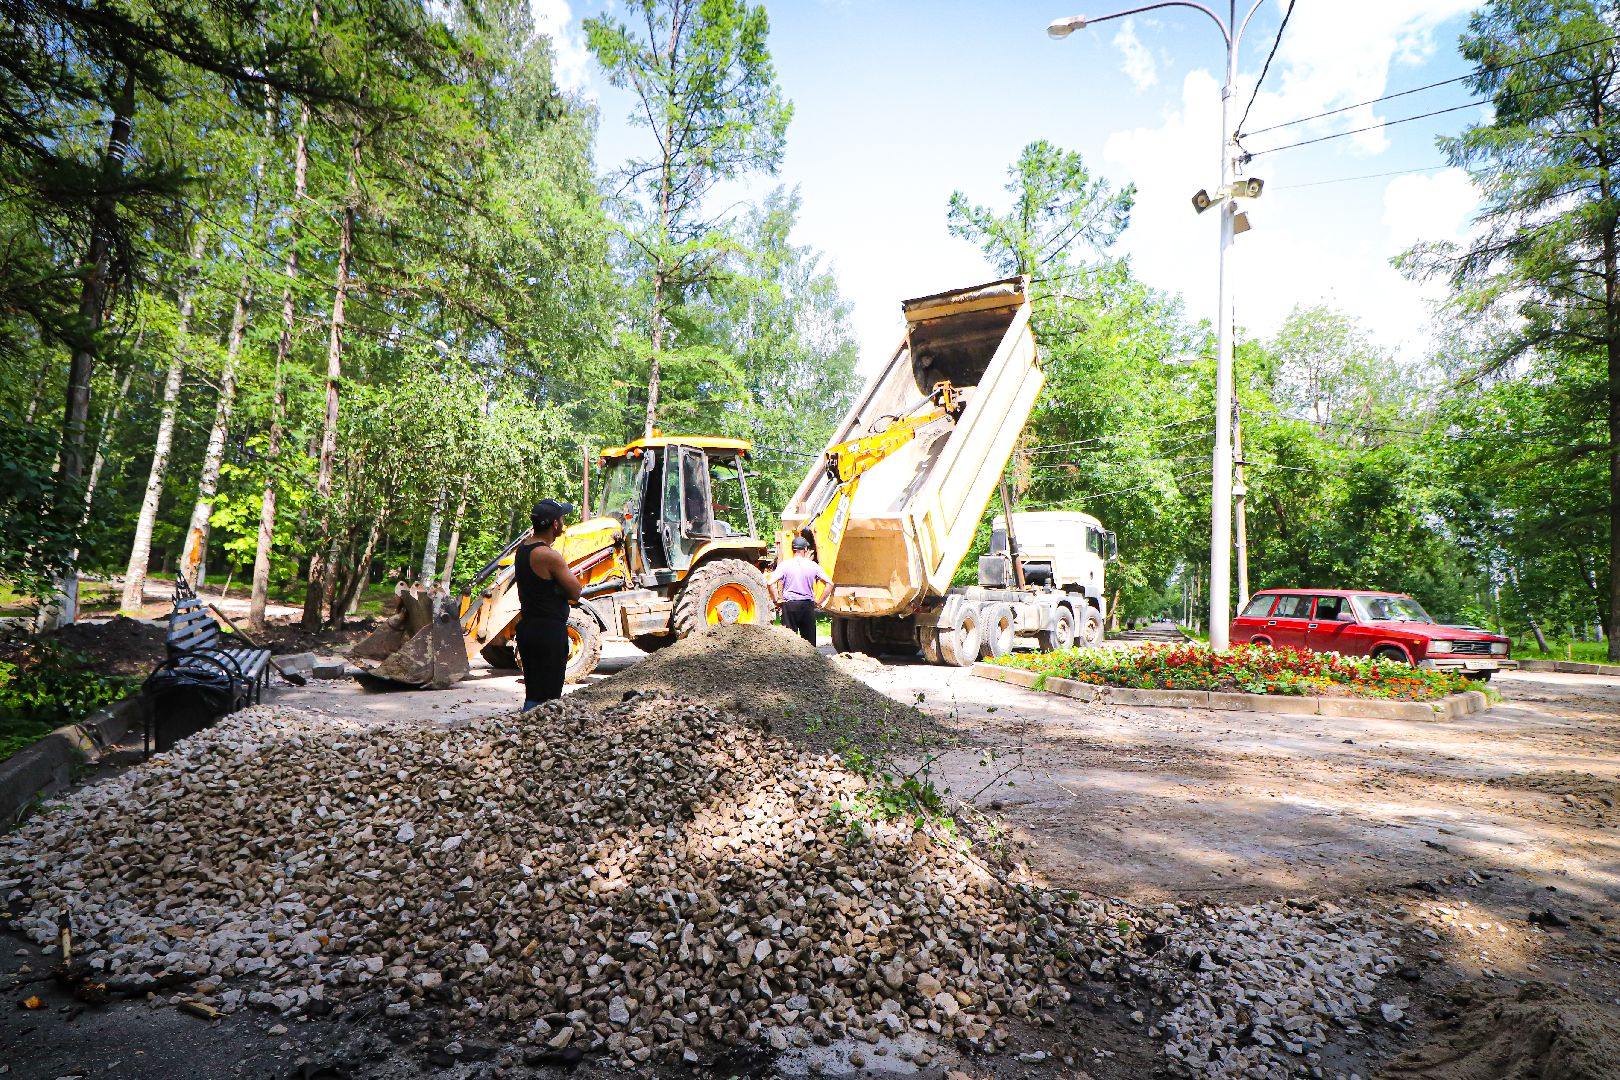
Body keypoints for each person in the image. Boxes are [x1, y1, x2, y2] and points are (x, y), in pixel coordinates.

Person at [514, 499, 583, 710]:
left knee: (534, 693)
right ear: (554, 524)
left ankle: (526, 733)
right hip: (548, 634)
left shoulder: (523, 549)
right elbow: (576, 591)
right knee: (549, 700)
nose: (564, 522)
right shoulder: (548, 556)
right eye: (562, 518)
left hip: (528, 629)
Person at [769, 536, 831, 647]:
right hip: (807, 606)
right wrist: (819, 602)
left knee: (788, 644)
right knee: (809, 645)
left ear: (793, 549)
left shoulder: (784, 565)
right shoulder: (813, 566)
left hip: (789, 606)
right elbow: (830, 584)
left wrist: (776, 600)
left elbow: (770, 583)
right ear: (805, 550)